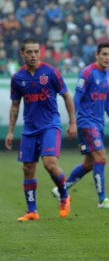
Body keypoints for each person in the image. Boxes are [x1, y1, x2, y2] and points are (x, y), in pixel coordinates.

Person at [5, 38, 77, 221]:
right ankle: (32, 211)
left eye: (36, 51)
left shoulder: (51, 73)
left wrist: (72, 123)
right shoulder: (18, 78)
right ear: (22, 54)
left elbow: (67, 96)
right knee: (28, 168)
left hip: (50, 125)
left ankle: (64, 194)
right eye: (29, 52)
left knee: (49, 164)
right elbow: (15, 105)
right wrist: (11, 131)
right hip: (29, 128)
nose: (33, 55)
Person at [52, 42, 109, 209]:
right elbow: (76, 98)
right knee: (101, 157)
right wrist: (73, 122)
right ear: (97, 55)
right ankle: (102, 200)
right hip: (85, 122)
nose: (107, 58)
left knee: (89, 163)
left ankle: (61, 188)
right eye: (104, 54)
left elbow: (107, 101)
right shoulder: (88, 73)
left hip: (98, 123)